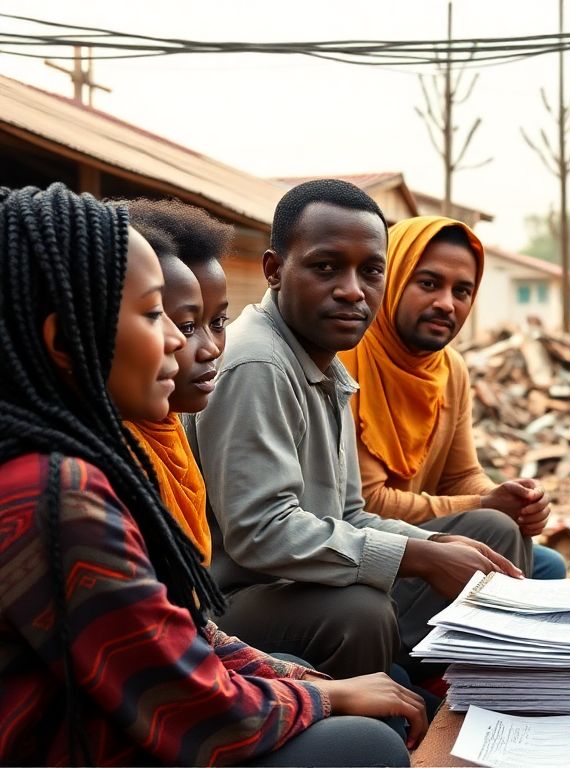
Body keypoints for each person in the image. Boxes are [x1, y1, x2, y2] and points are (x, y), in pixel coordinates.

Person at [0, 183, 423, 766]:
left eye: (206, 321)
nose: (182, 341)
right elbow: (183, 700)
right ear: (64, 342)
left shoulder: (77, 463)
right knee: (367, 742)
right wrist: (320, 699)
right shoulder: (54, 493)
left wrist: (308, 685)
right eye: (156, 315)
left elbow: (184, 632)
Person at [187, 180, 526, 681]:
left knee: (487, 533)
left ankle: (454, 689)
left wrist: (434, 549)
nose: (352, 290)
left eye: (370, 272)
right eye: (326, 267)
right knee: (359, 612)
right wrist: (418, 555)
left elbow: (348, 513)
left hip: (302, 578)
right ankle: (367, 727)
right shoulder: (258, 361)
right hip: (233, 600)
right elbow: (262, 533)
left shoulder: (325, 364)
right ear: (275, 270)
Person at [338, 215, 566, 579]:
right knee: (499, 529)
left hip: (430, 532)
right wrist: (485, 504)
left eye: (461, 291)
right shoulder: (346, 360)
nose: (446, 303)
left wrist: (513, 500)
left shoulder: (449, 369)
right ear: (391, 279)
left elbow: (460, 475)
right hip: (373, 548)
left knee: (549, 564)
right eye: (428, 283)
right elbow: (369, 504)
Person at [121, 198, 233, 565]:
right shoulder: (104, 467)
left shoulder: (168, 427)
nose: (210, 349)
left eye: (218, 323)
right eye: (186, 325)